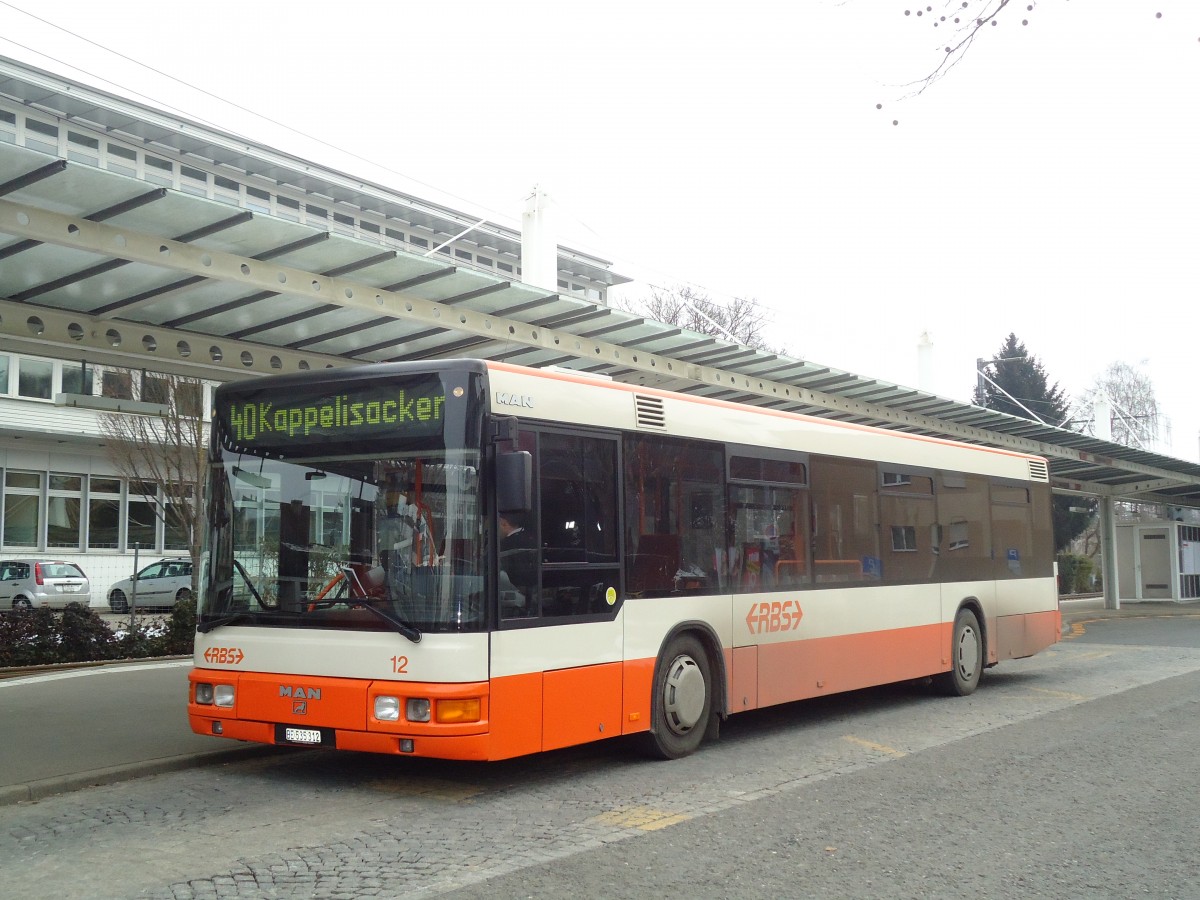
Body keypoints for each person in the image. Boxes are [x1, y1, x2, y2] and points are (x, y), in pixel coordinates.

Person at [498, 511, 537, 610]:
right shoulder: (533, 539)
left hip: (516, 592)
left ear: (504, 523)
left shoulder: (506, 544)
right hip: (533, 590)